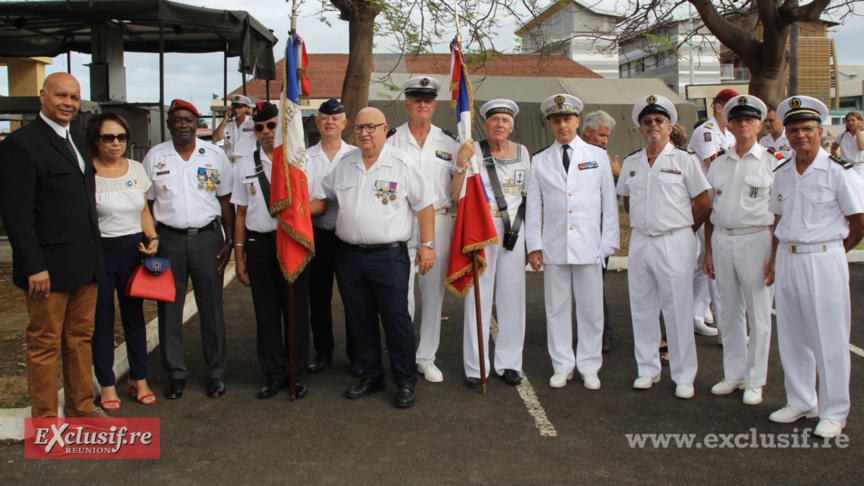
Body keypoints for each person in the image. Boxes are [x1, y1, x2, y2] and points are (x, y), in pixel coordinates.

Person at [0, 72, 106, 418]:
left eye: (74, 98)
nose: (68, 103)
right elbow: (16, 215)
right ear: (42, 96)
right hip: (48, 268)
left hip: (85, 264)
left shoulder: (74, 139)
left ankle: (81, 407)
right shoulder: (22, 144)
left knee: (79, 340)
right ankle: (45, 420)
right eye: (61, 96)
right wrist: (33, 265)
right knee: (44, 344)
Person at [316, 107, 436, 409]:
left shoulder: (401, 162)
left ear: (385, 129)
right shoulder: (345, 164)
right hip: (350, 257)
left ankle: (405, 381)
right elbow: (324, 198)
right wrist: (296, 209)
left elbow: (425, 205)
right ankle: (371, 376)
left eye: (371, 127)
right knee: (360, 319)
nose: (364, 133)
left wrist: (428, 244)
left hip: (389, 257)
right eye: (359, 128)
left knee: (396, 319)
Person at [767, 96, 864, 438]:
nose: (799, 135)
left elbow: (859, 221)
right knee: (792, 334)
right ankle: (801, 400)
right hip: (790, 258)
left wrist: (836, 251)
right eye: (793, 130)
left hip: (824, 258)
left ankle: (835, 410)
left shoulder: (839, 172)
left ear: (820, 131)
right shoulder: (782, 172)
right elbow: (778, 219)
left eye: (807, 129)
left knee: (829, 337)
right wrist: (775, 259)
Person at [616, 94, 711, 399]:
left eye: (659, 121)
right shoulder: (632, 162)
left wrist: (684, 230)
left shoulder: (686, 160)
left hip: (675, 239)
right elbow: (627, 200)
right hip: (642, 240)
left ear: (670, 127)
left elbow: (703, 203)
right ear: (640, 128)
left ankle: (684, 375)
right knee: (642, 308)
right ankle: (647, 369)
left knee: (677, 308)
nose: (653, 125)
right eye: (647, 122)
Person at [142, 99, 235, 400]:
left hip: (208, 239)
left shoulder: (215, 155)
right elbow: (147, 203)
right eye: (177, 119)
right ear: (168, 124)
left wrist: (229, 240)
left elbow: (225, 201)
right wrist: (152, 238)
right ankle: (175, 374)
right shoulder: (156, 156)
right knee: (169, 309)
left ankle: (215, 373)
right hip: (167, 241)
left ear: (197, 123)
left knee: (212, 308)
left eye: (188, 119)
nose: (183, 124)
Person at [527, 94, 619, 390]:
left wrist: (609, 243)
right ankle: (562, 365)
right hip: (554, 244)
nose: (562, 125)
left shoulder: (597, 156)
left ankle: (590, 365)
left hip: (590, 245)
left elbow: (609, 202)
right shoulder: (540, 160)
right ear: (550, 124)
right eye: (556, 120)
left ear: (578, 121)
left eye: (567, 119)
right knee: (556, 309)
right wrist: (534, 246)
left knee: (591, 309)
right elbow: (534, 208)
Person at [386, 76, 467, 383]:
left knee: (432, 296)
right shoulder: (391, 140)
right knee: (400, 297)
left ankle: (426, 357)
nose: (423, 105)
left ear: (434, 106)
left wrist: (461, 164)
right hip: (402, 223)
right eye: (417, 100)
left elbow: (457, 192)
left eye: (428, 100)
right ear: (407, 104)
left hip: (440, 221)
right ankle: (404, 356)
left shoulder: (449, 143)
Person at [232, 102, 312, 399]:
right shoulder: (243, 164)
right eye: (260, 127)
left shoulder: (299, 161)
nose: (267, 132)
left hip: (291, 240)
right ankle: (273, 373)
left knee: (295, 311)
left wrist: (297, 215)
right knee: (265, 313)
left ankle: (296, 372)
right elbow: (241, 213)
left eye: (272, 126)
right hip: (259, 245)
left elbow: (319, 203)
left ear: (283, 127)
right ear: (254, 131)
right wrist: (238, 256)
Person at [450, 99, 530, 388]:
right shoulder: (472, 151)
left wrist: (529, 240)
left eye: (505, 121)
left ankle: (509, 363)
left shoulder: (522, 153)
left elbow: (528, 197)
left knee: (512, 299)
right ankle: (475, 367)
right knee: (478, 299)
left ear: (512, 126)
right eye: (494, 119)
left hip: (513, 232)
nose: (499, 125)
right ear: (485, 124)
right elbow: (454, 193)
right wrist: (460, 163)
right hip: (481, 231)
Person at [702, 95, 776, 406]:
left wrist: (774, 254)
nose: (743, 124)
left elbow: (782, 212)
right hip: (722, 239)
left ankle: (756, 379)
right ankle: (734, 373)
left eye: (749, 119)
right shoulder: (719, 162)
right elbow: (709, 209)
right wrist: (707, 250)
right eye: (737, 119)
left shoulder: (774, 161)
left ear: (759, 124)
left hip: (757, 239)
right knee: (728, 309)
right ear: (729, 125)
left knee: (758, 312)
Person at [87, 113, 159, 410]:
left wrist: (153, 238)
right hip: (100, 252)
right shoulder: (85, 171)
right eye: (108, 137)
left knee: (134, 318)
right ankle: (106, 385)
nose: (116, 143)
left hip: (135, 249)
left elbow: (143, 209)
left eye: (121, 137)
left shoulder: (137, 169)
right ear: (96, 140)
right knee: (102, 320)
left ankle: (139, 379)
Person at [305, 98, 358, 376]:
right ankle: (323, 351)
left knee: (353, 297)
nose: (329, 122)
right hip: (316, 235)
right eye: (324, 118)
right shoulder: (304, 157)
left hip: (347, 237)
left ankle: (356, 354)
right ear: (317, 122)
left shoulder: (355, 155)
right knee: (318, 297)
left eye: (335, 118)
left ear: (344, 123)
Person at [688, 88, 739, 337]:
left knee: (703, 263)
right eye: (730, 108)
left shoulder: (728, 134)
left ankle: (697, 313)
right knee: (710, 262)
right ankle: (721, 325)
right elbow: (716, 164)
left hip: (720, 204)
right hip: (704, 204)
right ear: (718, 107)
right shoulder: (705, 132)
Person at [581, 110, 619, 353]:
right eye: (602, 135)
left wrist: (618, 175)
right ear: (588, 131)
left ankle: (603, 332)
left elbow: (612, 201)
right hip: (577, 231)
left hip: (599, 233)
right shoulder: (573, 154)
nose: (606, 140)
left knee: (596, 285)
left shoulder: (604, 158)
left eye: (607, 136)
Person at [213, 94, 257, 163]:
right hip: (229, 162)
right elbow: (215, 138)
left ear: (246, 108)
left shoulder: (253, 123)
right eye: (234, 107)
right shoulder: (228, 124)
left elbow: (265, 128)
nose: (236, 110)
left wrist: (254, 115)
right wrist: (225, 119)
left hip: (247, 163)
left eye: (239, 107)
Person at [830, 110, 864, 179]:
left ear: (860, 121)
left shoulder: (862, 134)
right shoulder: (843, 136)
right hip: (845, 166)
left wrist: (858, 131)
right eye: (848, 121)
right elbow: (833, 148)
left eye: (853, 120)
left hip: (859, 168)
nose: (850, 123)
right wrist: (837, 161)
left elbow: (861, 147)